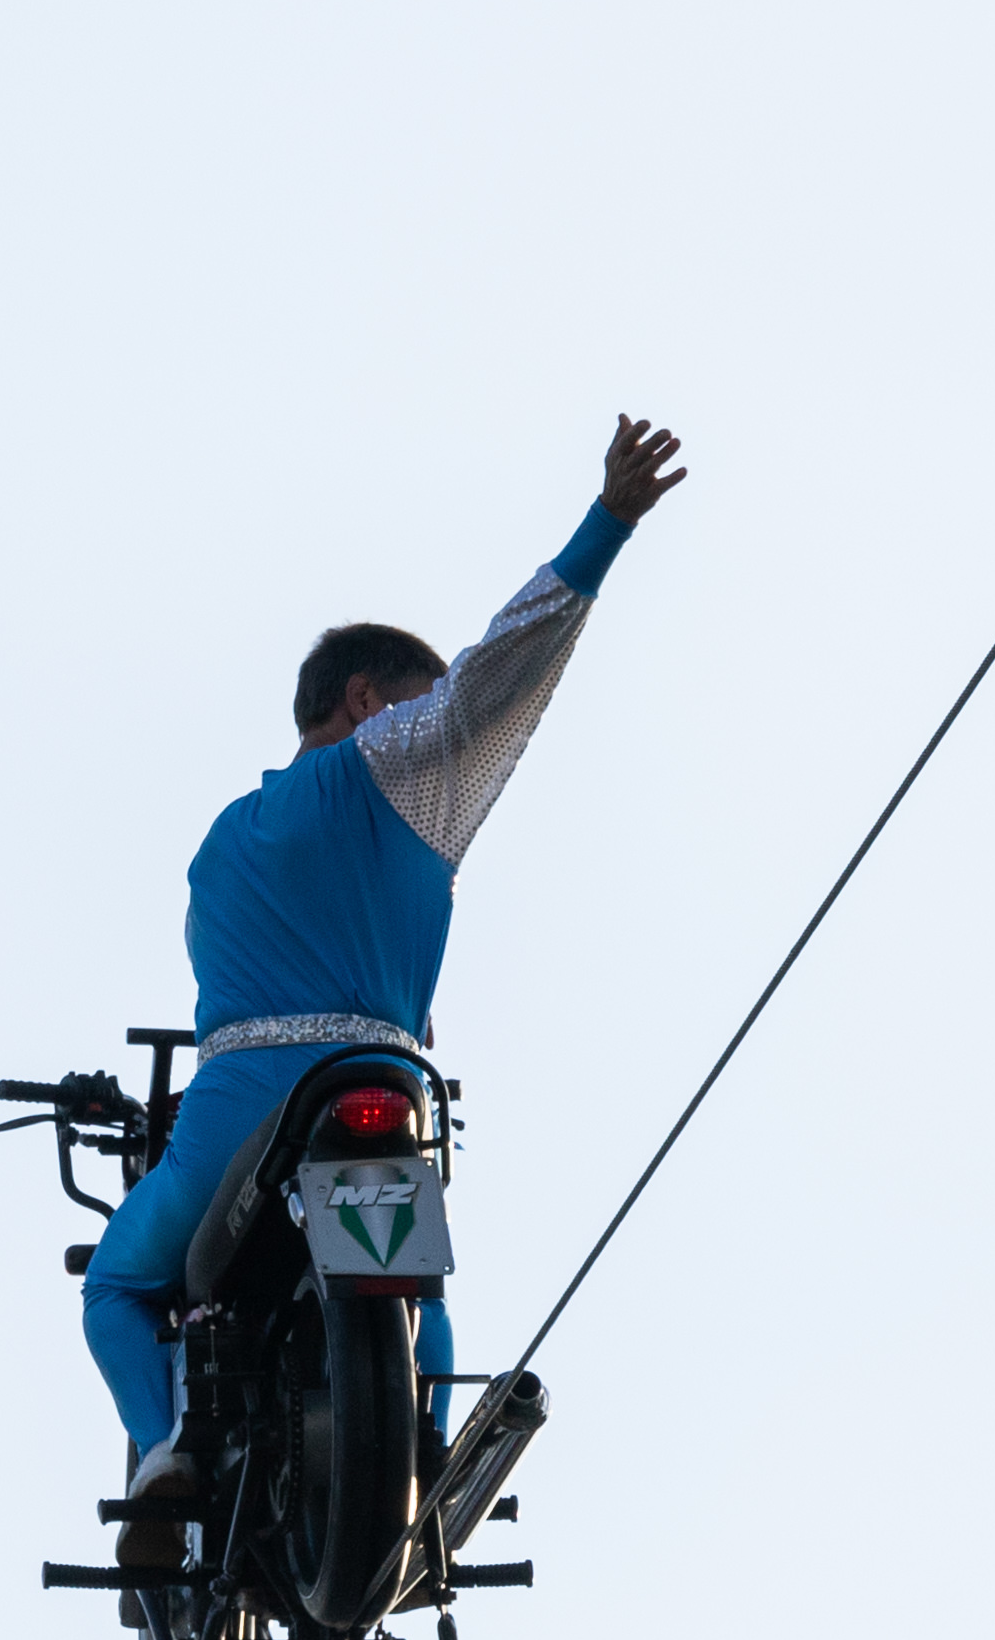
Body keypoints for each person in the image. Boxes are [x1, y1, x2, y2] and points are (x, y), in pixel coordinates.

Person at [85, 413, 689, 1520]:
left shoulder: (218, 847)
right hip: (383, 1079)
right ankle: (430, 1450)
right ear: (366, 701)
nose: (436, 723)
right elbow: (495, 681)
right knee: (420, 1281)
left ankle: (167, 1449)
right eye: (416, 696)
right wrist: (605, 524)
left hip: (235, 1111)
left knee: (117, 1285)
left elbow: (231, 977)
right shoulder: (390, 767)